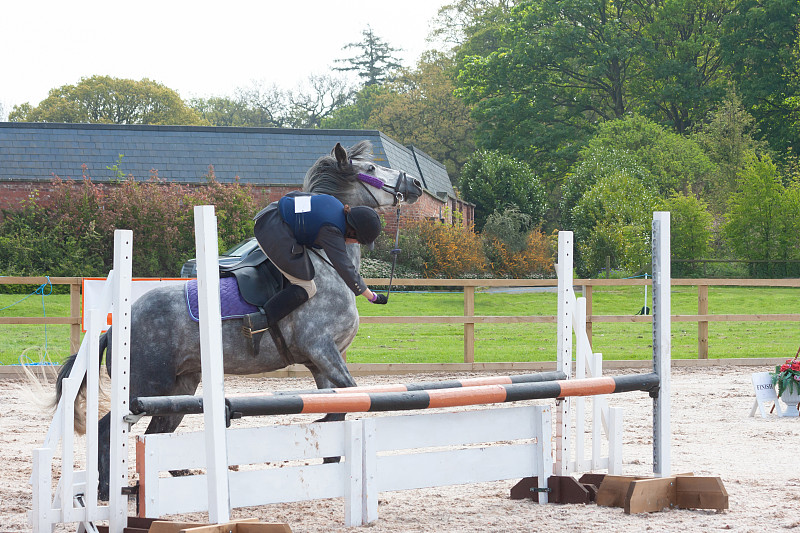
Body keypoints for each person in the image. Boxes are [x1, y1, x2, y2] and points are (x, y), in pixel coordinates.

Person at [244, 191, 388, 339]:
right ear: (353, 232)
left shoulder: (333, 201)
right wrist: (372, 296)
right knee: (307, 287)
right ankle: (258, 322)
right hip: (271, 229)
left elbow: (295, 195)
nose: (357, 243)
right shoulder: (332, 230)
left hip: (270, 212)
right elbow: (346, 268)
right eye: (359, 241)